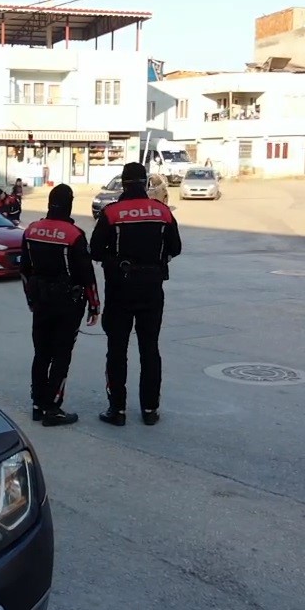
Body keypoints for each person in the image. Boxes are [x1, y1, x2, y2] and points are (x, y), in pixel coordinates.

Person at [91, 162, 183, 426]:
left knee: (117, 350)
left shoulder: (112, 213)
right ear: (145, 183)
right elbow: (176, 248)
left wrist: (115, 259)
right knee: (150, 349)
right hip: (152, 289)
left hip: (120, 290)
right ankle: (150, 410)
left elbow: (95, 250)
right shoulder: (162, 211)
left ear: (123, 183)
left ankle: (117, 410)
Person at [20, 184, 100, 427]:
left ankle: (37, 404)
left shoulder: (31, 230)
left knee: (41, 353)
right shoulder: (74, 234)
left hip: (41, 301)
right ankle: (53, 408)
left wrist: (31, 299)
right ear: (70, 204)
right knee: (61, 355)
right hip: (67, 304)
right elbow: (86, 274)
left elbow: (24, 270)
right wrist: (94, 305)